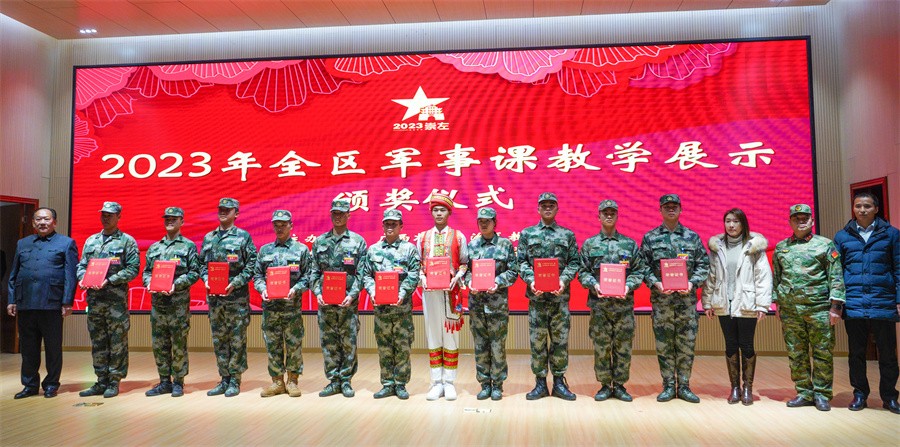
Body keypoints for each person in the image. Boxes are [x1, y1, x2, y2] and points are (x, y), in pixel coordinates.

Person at [772, 203, 845, 411]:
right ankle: (804, 392)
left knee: (823, 352)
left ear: (812, 220)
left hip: (819, 308)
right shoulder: (782, 247)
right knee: (796, 353)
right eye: (796, 218)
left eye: (805, 218)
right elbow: (777, 277)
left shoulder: (825, 245)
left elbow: (835, 276)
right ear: (790, 222)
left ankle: (821, 393)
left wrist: (836, 306)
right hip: (791, 310)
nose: (801, 221)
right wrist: (777, 303)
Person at [833, 193, 900, 414]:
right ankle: (860, 394)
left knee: (888, 354)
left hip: (883, 301)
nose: (862, 210)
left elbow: (899, 269)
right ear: (853, 208)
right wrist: (837, 303)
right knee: (856, 353)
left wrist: (898, 299)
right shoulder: (842, 236)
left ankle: (889, 397)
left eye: (867, 206)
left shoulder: (892, 234)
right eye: (858, 206)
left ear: (876, 209)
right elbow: (836, 272)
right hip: (854, 302)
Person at [640, 194, 709, 403]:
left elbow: (703, 265)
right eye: (667, 207)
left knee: (686, 345)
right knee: (664, 345)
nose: (671, 209)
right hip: (662, 302)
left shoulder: (692, 237)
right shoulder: (650, 238)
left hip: (686, 303)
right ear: (660, 210)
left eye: (674, 206)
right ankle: (669, 385)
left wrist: (692, 282)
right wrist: (655, 283)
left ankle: (685, 386)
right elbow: (642, 266)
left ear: (680, 210)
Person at [701, 208, 771, 405]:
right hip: (724, 303)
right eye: (728, 221)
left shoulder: (754, 246)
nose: (731, 225)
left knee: (747, 345)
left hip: (747, 303)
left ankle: (747, 388)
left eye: (735, 221)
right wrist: (707, 302)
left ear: (743, 224)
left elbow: (763, 277)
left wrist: (763, 305)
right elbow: (711, 276)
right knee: (730, 344)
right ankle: (734, 388)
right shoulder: (717, 248)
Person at [578, 199, 645, 402]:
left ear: (617, 216)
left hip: (623, 306)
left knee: (623, 347)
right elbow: (582, 272)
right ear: (598, 216)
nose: (608, 215)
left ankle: (621, 385)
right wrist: (594, 284)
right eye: (605, 212)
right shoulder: (590, 245)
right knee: (602, 347)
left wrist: (628, 286)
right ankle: (605, 385)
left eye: (612, 213)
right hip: (600, 306)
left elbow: (639, 271)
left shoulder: (629, 244)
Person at [7, 207, 78, 399]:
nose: (42, 222)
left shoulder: (66, 243)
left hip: (52, 303)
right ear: (33, 223)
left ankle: (51, 384)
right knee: (28, 348)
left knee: (53, 348)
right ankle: (29, 385)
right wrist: (12, 300)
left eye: (46, 219)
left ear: (54, 222)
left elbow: (70, 275)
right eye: (38, 219)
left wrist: (67, 302)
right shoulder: (23, 243)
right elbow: (14, 274)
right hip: (26, 302)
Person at [516, 192, 580, 401]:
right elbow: (521, 262)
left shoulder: (567, 235)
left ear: (557, 208)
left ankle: (559, 383)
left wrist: (563, 280)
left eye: (552, 204)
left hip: (559, 299)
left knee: (560, 342)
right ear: (538, 208)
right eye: (544, 205)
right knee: (538, 343)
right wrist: (530, 280)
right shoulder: (527, 234)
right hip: (537, 300)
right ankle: (540, 383)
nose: (548, 208)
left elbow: (574, 262)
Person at [76, 201, 140, 398]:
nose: (105, 218)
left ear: (118, 217)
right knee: (98, 342)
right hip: (95, 302)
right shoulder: (91, 241)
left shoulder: (127, 241)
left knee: (117, 342)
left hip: (115, 303)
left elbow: (133, 269)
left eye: (110, 215)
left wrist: (110, 280)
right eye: (103, 214)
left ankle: (114, 381)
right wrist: (82, 278)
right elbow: (82, 265)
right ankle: (100, 380)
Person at [200, 198, 257, 397]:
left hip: (236, 299)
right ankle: (224, 378)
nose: (223, 212)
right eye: (220, 209)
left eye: (227, 209)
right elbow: (201, 264)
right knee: (219, 340)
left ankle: (235, 380)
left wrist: (236, 282)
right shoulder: (209, 238)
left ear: (236, 213)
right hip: (216, 300)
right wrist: (206, 279)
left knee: (237, 340)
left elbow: (251, 265)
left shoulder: (243, 237)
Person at [360, 209, 420, 400]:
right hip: (382, 309)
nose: (390, 227)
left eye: (394, 224)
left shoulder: (409, 249)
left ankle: (400, 384)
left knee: (402, 346)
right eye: (387, 223)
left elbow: (414, 274)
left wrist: (402, 293)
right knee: (384, 347)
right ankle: (387, 383)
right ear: (382, 225)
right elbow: (366, 275)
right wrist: (373, 291)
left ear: (401, 226)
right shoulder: (373, 250)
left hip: (402, 308)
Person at [310, 200, 367, 398]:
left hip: (347, 304)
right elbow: (313, 272)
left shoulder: (358, 241)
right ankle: (333, 381)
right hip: (326, 304)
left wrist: (352, 295)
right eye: (335, 213)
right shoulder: (320, 242)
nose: (338, 216)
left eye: (342, 213)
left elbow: (362, 273)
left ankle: (346, 381)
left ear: (348, 215)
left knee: (349, 342)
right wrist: (318, 293)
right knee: (329, 343)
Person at [141, 207, 201, 397]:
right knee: (159, 344)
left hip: (178, 305)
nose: (170, 221)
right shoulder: (154, 248)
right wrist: (148, 283)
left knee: (178, 344)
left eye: (174, 218)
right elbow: (146, 272)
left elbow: (195, 272)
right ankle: (164, 381)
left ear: (182, 221)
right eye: (167, 218)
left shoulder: (188, 246)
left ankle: (178, 382)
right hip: (158, 305)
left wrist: (176, 284)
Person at [416, 194, 469, 401]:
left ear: (449, 212)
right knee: (433, 334)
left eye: (442, 210)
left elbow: (464, 263)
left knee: (450, 335)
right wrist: (422, 276)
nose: (439, 213)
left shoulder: (458, 236)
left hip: (451, 293)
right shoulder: (423, 237)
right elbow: (418, 263)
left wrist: (457, 276)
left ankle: (449, 382)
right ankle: (436, 382)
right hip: (430, 293)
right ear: (431, 213)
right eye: (435, 210)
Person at [254, 210, 311, 398]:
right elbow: (257, 276)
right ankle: (277, 382)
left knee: (294, 344)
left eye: (283, 224)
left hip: (291, 309)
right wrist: (262, 289)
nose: (279, 228)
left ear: (291, 226)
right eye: (276, 225)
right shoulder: (265, 250)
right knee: (273, 345)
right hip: (270, 309)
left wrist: (296, 289)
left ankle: (293, 381)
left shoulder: (301, 250)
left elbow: (308, 276)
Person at [464, 207, 518, 400]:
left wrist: (498, 282)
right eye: (480, 221)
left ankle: (498, 385)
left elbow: (513, 271)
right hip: (477, 305)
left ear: (495, 222)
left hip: (497, 305)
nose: (484, 224)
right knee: (480, 345)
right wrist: (469, 282)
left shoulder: (505, 245)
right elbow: (465, 271)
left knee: (497, 346)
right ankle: (485, 384)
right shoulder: (471, 245)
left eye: (487, 220)